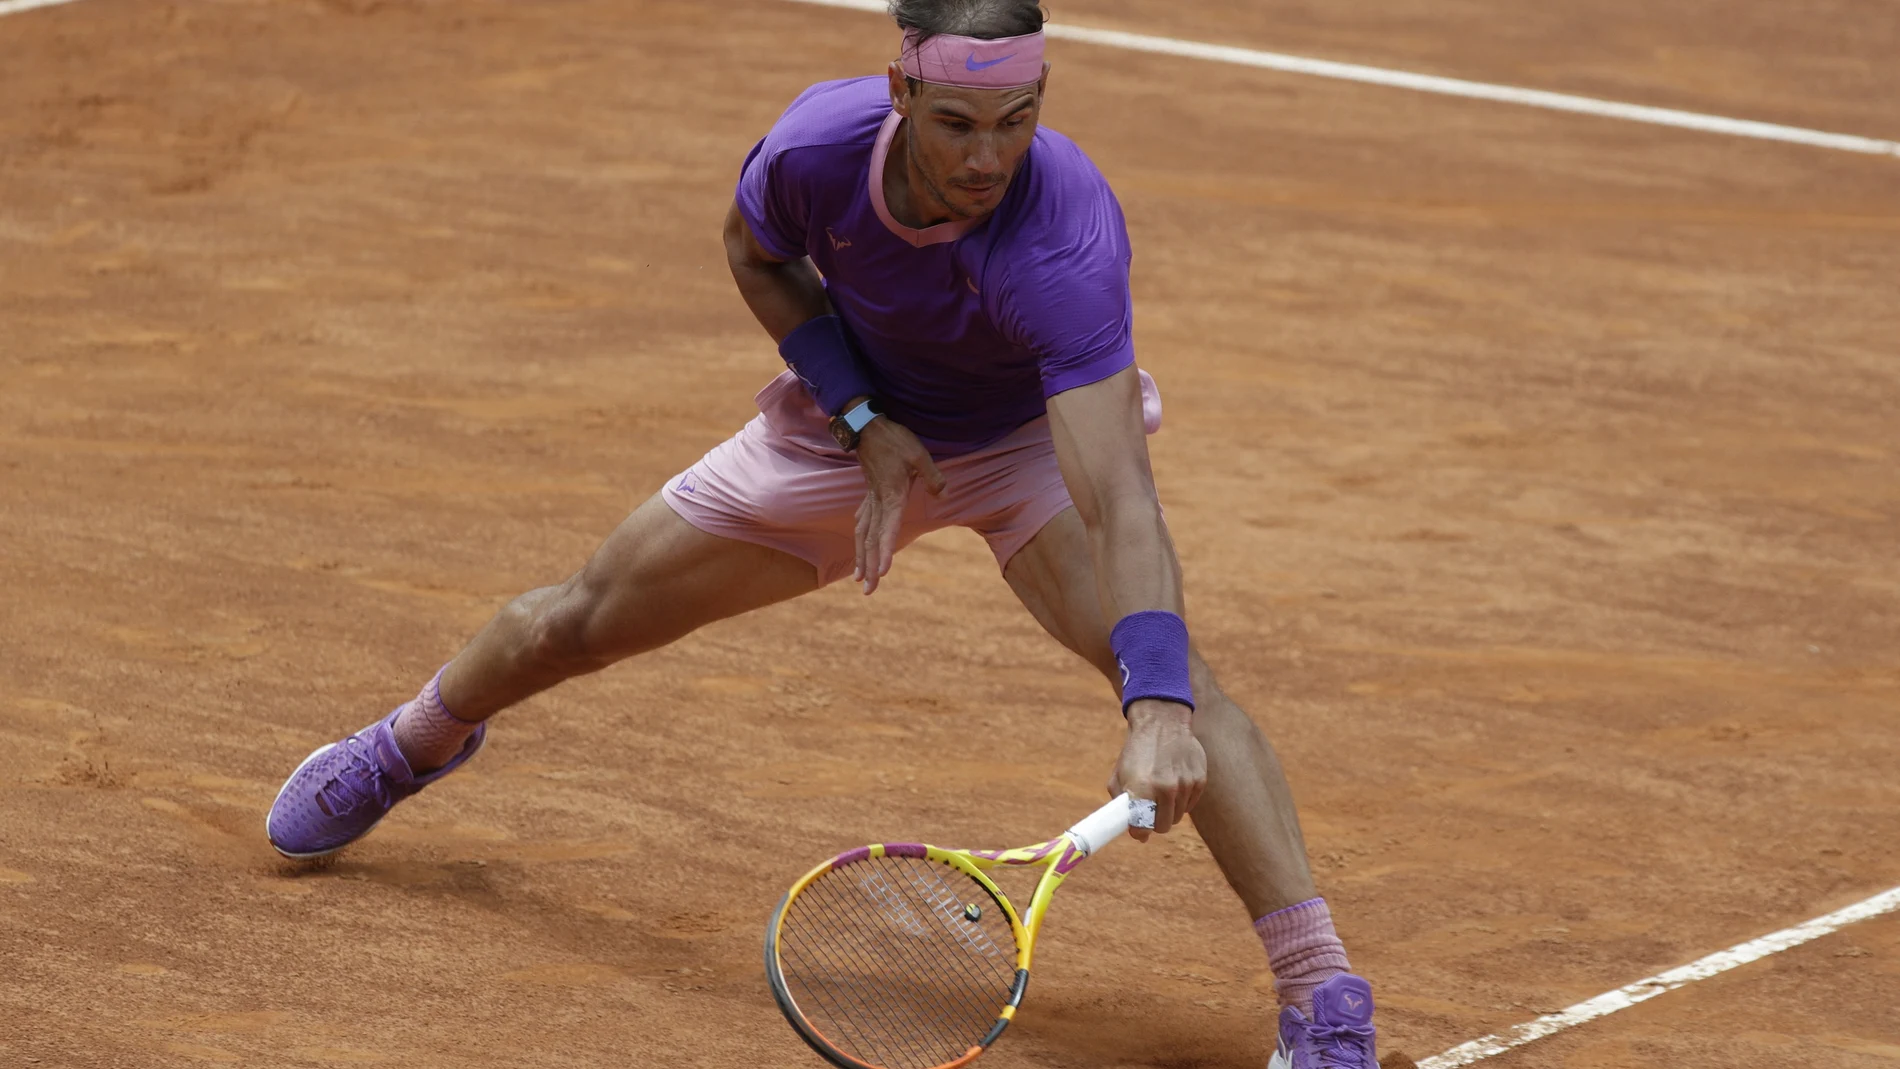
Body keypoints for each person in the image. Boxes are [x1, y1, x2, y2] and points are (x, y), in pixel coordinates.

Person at [265, 1, 1381, 1064]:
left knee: (1188, 689)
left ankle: (1320, 994)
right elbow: (755, 254)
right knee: (582, 618)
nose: (988, 158)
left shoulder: (1062, 237)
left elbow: (1118, 495)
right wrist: (861, 418)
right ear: (900, 90)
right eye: (955, 124)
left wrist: (1156, 707)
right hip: (848, 433)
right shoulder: (815, 147)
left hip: (1018, 447)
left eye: (1016, 120)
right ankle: (410, 741)